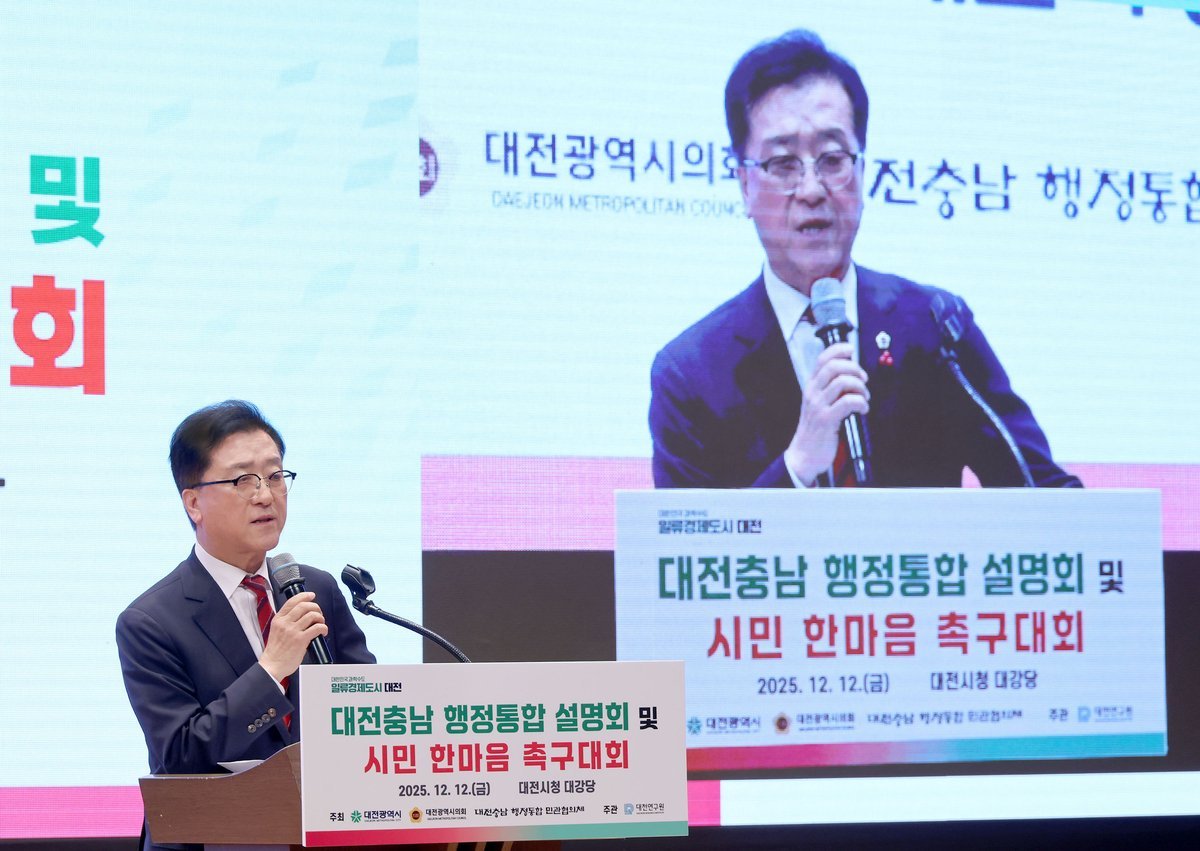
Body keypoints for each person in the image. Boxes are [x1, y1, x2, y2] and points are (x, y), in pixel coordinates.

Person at [650, 29, 1080, 490]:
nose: (811, 190)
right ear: (744, 186)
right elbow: (690, 539)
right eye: (784, 164)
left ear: (861, 170)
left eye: (832, 159)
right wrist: (797, 465)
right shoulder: (691, 374)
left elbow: (1043, 494)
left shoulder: (936, 328)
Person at [116, 400, 375, 848]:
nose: (265, 495)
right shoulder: (150, 621)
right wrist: (271, 670)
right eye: (243, 480)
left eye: (275, 476)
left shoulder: (315, 588)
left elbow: (368, 711)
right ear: (193, 503)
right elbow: (179, 759)